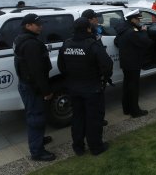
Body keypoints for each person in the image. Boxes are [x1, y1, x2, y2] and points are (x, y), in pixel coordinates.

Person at [57, 17, 113, 156]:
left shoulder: (66, 44)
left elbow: (61, 66)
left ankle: (78, 147)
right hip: (92, 88)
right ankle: (96, 147)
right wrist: (103, 78)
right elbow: (107, 65)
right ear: (88, 29)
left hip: (74, 88)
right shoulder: (92, 45)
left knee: (77, 118)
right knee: (93, 118)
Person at [13, 13, 55, 161]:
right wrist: (46, 91)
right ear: (28, 26)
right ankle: (37, 152)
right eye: (38, 25)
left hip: (27, 84)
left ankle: (38, 140)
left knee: (35, 114)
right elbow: (37, 71)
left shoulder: (21, 38)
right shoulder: (31, 44)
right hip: (32, 86)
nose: (41, 27)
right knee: (36, 117)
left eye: (41, 24)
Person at [114, 9, 153, 118]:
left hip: (125, 62)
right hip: (133, 62)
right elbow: (146, 42)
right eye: (137, 19)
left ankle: (126, 108)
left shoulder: (123, 29)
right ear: (132, 19)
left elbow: (116, 42)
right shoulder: (132, 32)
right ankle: (135, 111)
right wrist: (144, 31)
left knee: (127, 85)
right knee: (134, 87)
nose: (139, 21)